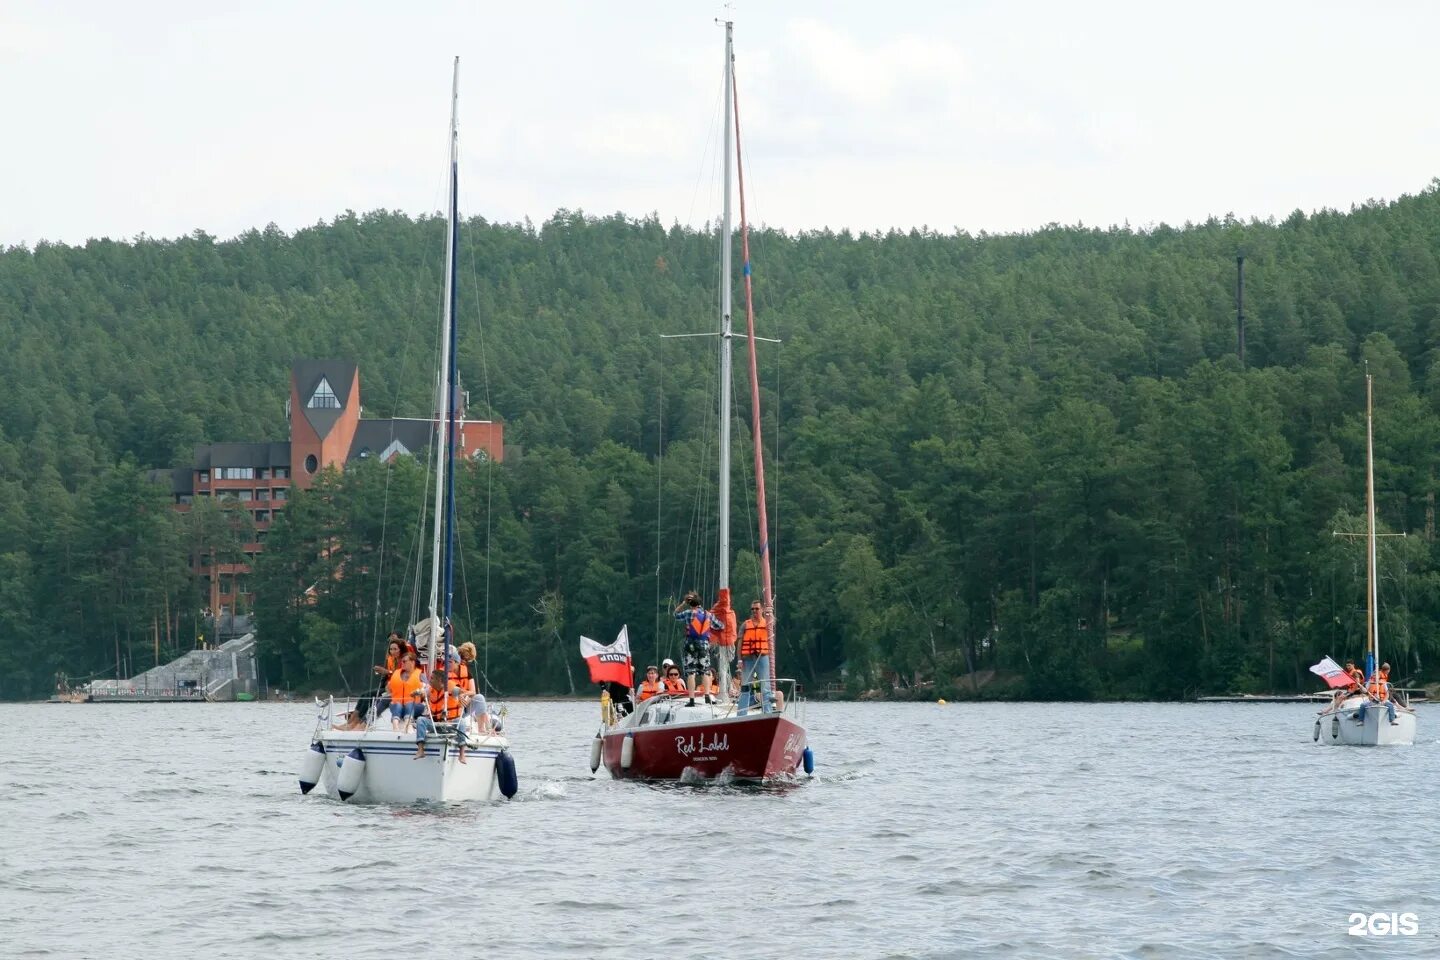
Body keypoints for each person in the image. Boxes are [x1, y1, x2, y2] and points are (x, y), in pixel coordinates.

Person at [674, 592, 720, 706]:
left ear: (690, 603)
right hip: (704, 645)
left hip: (690, 645)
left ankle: (691, 700)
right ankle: (707, 696)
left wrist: (683, 603)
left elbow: (675, 614)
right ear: (700, 603)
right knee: (705, 671)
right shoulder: (708, 615)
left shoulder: (688, 613)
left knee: (691, 673)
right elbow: (719, 626)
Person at [416, 668, 469, 760]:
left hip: (451, 724)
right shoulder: (430, 689)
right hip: (436, 724)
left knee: (462, 722)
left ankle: (462, 754)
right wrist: (417, 693)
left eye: (432, 678)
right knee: (420, 720)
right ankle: (420, 750)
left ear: (439, 680)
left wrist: (461, 695)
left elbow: (464, 692)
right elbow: (422, 692)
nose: (430, 680)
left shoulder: (451, 688)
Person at [737, 600, 773, 716]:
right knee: (745, 687)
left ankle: (767, 712)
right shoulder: (745, 624)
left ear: (761, 609)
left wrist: (770, 613)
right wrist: (739, 659)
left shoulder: (767, 623)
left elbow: (773, 622)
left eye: (757, 609)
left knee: (765, 686)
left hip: (762, 657)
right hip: (748, 659)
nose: (754, 611)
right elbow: (740, 643)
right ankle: (741, 714)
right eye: (752, 609)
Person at [387, 652, 424, 731]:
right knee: (397, 705)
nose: (402, 663)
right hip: (397, 705)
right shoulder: (396, 673)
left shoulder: (420, 675)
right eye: (401, 661)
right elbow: (388, 688)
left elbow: (427, 689)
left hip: (415, 705)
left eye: (404, 661)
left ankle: (408, 724)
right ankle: (395, 726)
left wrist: (421, 691)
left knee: (409, 704)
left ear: (412, 662)